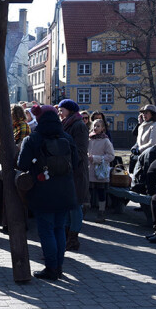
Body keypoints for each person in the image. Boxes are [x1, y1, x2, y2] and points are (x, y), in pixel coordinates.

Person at [18, 105, 78, 280]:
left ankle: (51, 268)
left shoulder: (33, 138)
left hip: (43, 190)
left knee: (46, 230)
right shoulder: (67, 137)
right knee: (59, 228)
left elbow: (22, 164)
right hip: (65, 190)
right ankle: (58, 266)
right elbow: (76, 163)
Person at [58, 99, 89, 252]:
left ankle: (73, 238)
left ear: (69, 110)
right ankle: (67, 235)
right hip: (68, 170)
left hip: (76, 171)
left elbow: (81, 150)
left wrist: (70, 163)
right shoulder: (67, 123)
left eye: (62, 109)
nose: (59, 112)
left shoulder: (79, 125)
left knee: (75, 206)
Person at [88, 118, 116, 223]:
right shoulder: (89, 138)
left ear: (103, 128)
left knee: (101, 192)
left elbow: (111, 156)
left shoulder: (105, 140)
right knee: (88, 191)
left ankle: (101, 212)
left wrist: (96, 158)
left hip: (100, 170)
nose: (95, 128)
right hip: (89, 170)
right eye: (94, 125)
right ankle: (86, 210)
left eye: (98, 126)